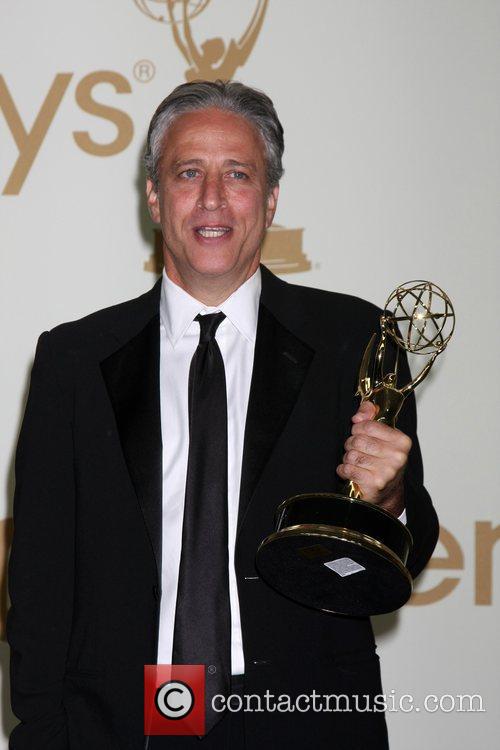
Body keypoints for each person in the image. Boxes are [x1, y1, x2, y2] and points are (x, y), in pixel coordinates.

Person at [7, 80, 439, 749]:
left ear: (269, 201)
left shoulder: (356, 340)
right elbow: (38, 584)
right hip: (120, 727)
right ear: (154, 197)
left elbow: (398, 568)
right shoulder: (74, 359)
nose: (212, 199)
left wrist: (386, 506)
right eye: (188, 173)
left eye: (237, 174)